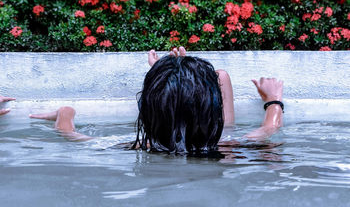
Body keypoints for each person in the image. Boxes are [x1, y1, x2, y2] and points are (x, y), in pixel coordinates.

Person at [29, 47, 284, 155]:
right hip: (215, 143)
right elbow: (270, 127)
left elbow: (69, 134)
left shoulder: (136, 147)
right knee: (223, 125)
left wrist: (65, 111)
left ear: (149, 110)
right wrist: (273, 100)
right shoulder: (229, 146)